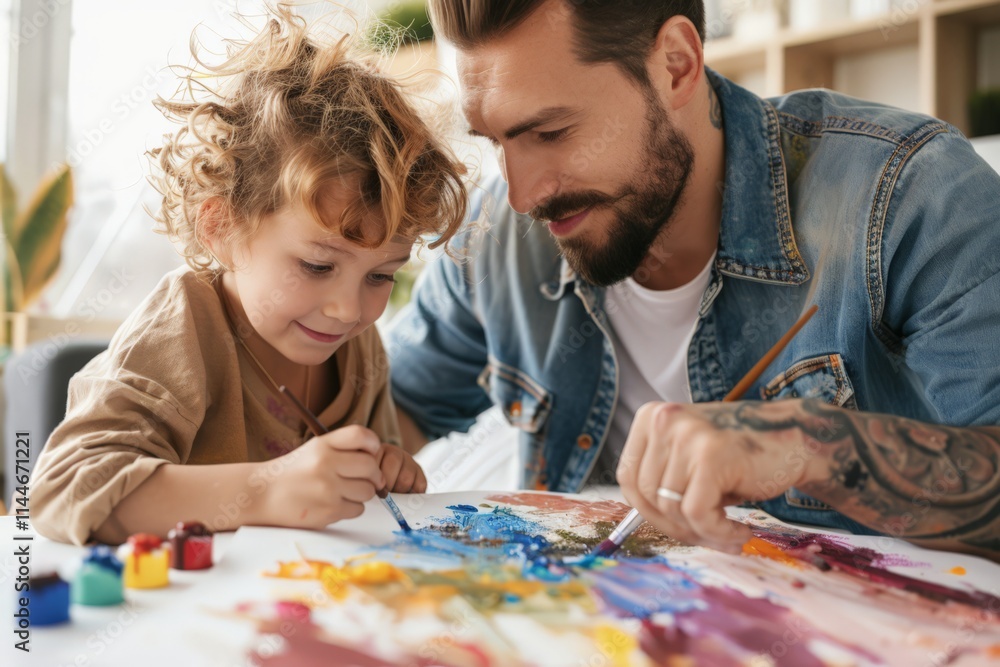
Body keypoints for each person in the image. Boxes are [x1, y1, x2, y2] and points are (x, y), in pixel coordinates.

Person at [385, 0, 1000, 560]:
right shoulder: (497, 236)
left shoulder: (912, 195)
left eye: (551, 132)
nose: (522, 195)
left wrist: (808, 443)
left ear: (676, 65)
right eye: (496, 141)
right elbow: (393, 412)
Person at [29, 6, 467, 545]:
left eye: (381, 277)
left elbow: (348, 501)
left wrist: (383, 470)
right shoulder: (183, 329)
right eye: (316, 265)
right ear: (220, 227)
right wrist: (267, 490)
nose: (349, 309)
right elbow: (61, 491)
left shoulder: (358, 347)